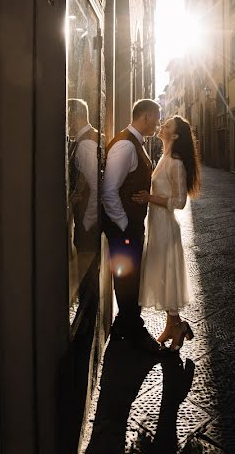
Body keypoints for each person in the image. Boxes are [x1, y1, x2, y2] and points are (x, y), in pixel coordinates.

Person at [132, 116, 201, 351]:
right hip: (156, 224)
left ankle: (178, 327)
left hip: (166, 227)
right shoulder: (163, 158)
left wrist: (150, 197)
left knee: (166, 276)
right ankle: (173, 327)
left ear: (175, 136)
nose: (162, 126)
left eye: (168, 125)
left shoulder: (176, 163)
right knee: (162, 276)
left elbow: (180, 202)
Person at [100, 99, 163, 353]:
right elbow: (108, 190)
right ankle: (135, 334)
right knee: (127, 280)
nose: (158, 124)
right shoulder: (126, 145)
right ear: (146, 117)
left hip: (130, 225)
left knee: (130, 278)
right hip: (123, 227)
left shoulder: (135, 143)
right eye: (157, 119)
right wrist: (126, 223)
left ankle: (122, 328)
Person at [67, 99, 100, 286]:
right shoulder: (86, 138)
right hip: (86, 218)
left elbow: (95, 186)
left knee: (87, 273)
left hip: (87, 221)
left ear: (75, 116)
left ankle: (87, 312)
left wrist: (87, 221)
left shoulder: (86, 144)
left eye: (68, 117)